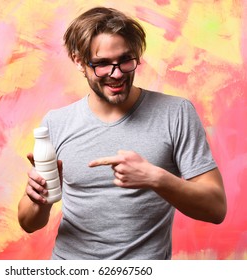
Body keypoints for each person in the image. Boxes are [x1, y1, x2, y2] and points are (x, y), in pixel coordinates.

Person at [18, 6, 227, 260]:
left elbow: (216, 209)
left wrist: (155, 177)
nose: (116, 74)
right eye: (102, 64)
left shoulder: (176, 113)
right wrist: (40, 199)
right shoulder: (56, 122)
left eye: (125, 60)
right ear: (79, 61)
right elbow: (29, 223)